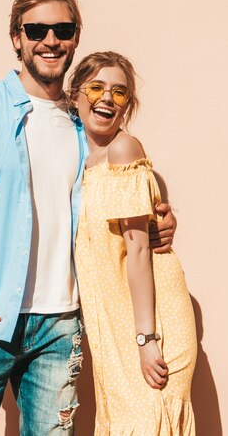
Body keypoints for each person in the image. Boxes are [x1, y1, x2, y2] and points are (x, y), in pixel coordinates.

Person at [0, 0, 176, 436]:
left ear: (75, 38)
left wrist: (159, 218)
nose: (51, 40)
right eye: (37, 29)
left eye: (62, 29)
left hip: (61, 325)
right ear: (17, 38)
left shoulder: (81, 121)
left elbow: (114, 194)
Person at [69, 51, 197, 435]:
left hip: (149, 322)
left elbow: (139, 249)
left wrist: (146, 338)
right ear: (75, 94)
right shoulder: (79, 159)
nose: (107, 98)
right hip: (114, 319)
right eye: (96, 87)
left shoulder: (123, 150)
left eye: (119, 93)